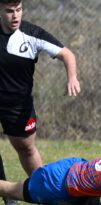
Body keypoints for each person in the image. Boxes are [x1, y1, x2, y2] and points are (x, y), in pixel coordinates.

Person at [0, 0, 80, 203]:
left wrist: (72, 77)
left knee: (26, 148)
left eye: (18, 10)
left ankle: (48, 194)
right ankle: (7, 193)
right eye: (9, 11)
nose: (15, 16)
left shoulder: (32, 34)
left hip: (19, 106)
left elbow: (67, 54)